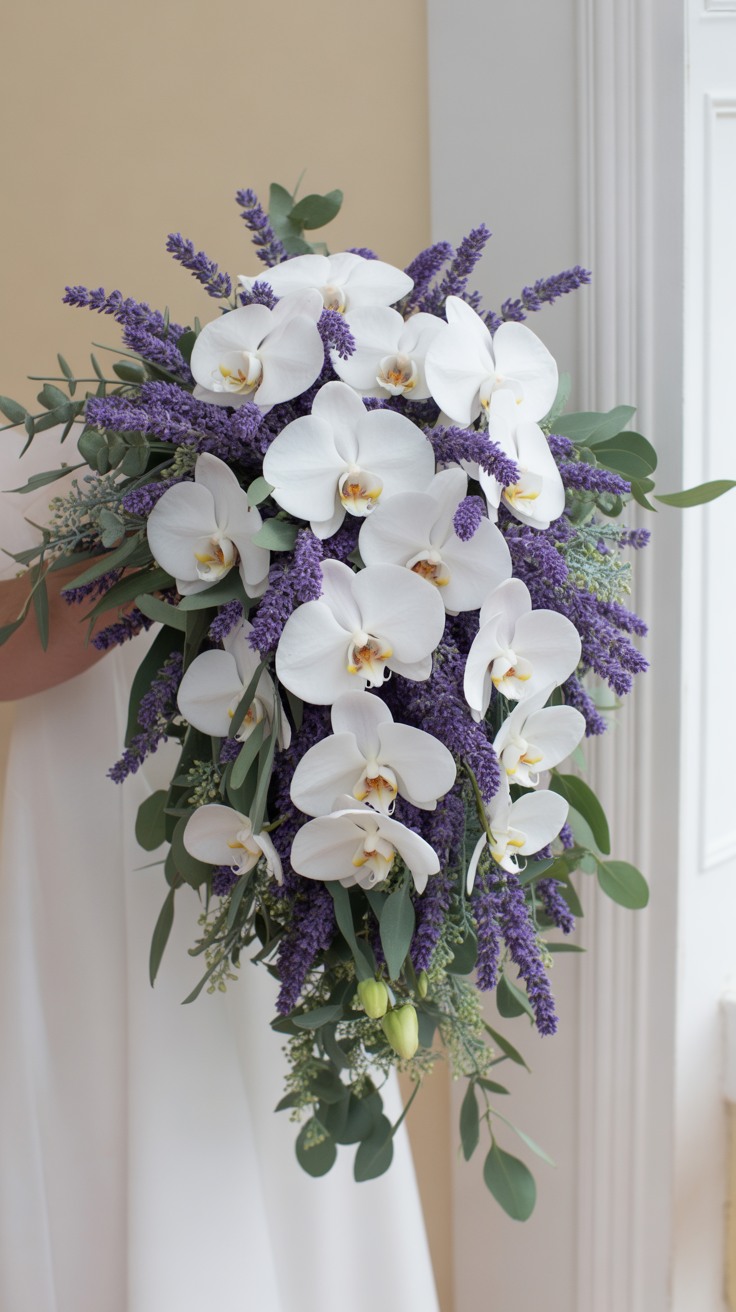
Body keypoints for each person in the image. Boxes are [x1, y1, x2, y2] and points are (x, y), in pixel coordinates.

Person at [0, 429, 439, 1312]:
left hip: (267, 781)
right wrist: (147, 558)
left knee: (285, 1095)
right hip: (92, 803)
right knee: (110, 1103)